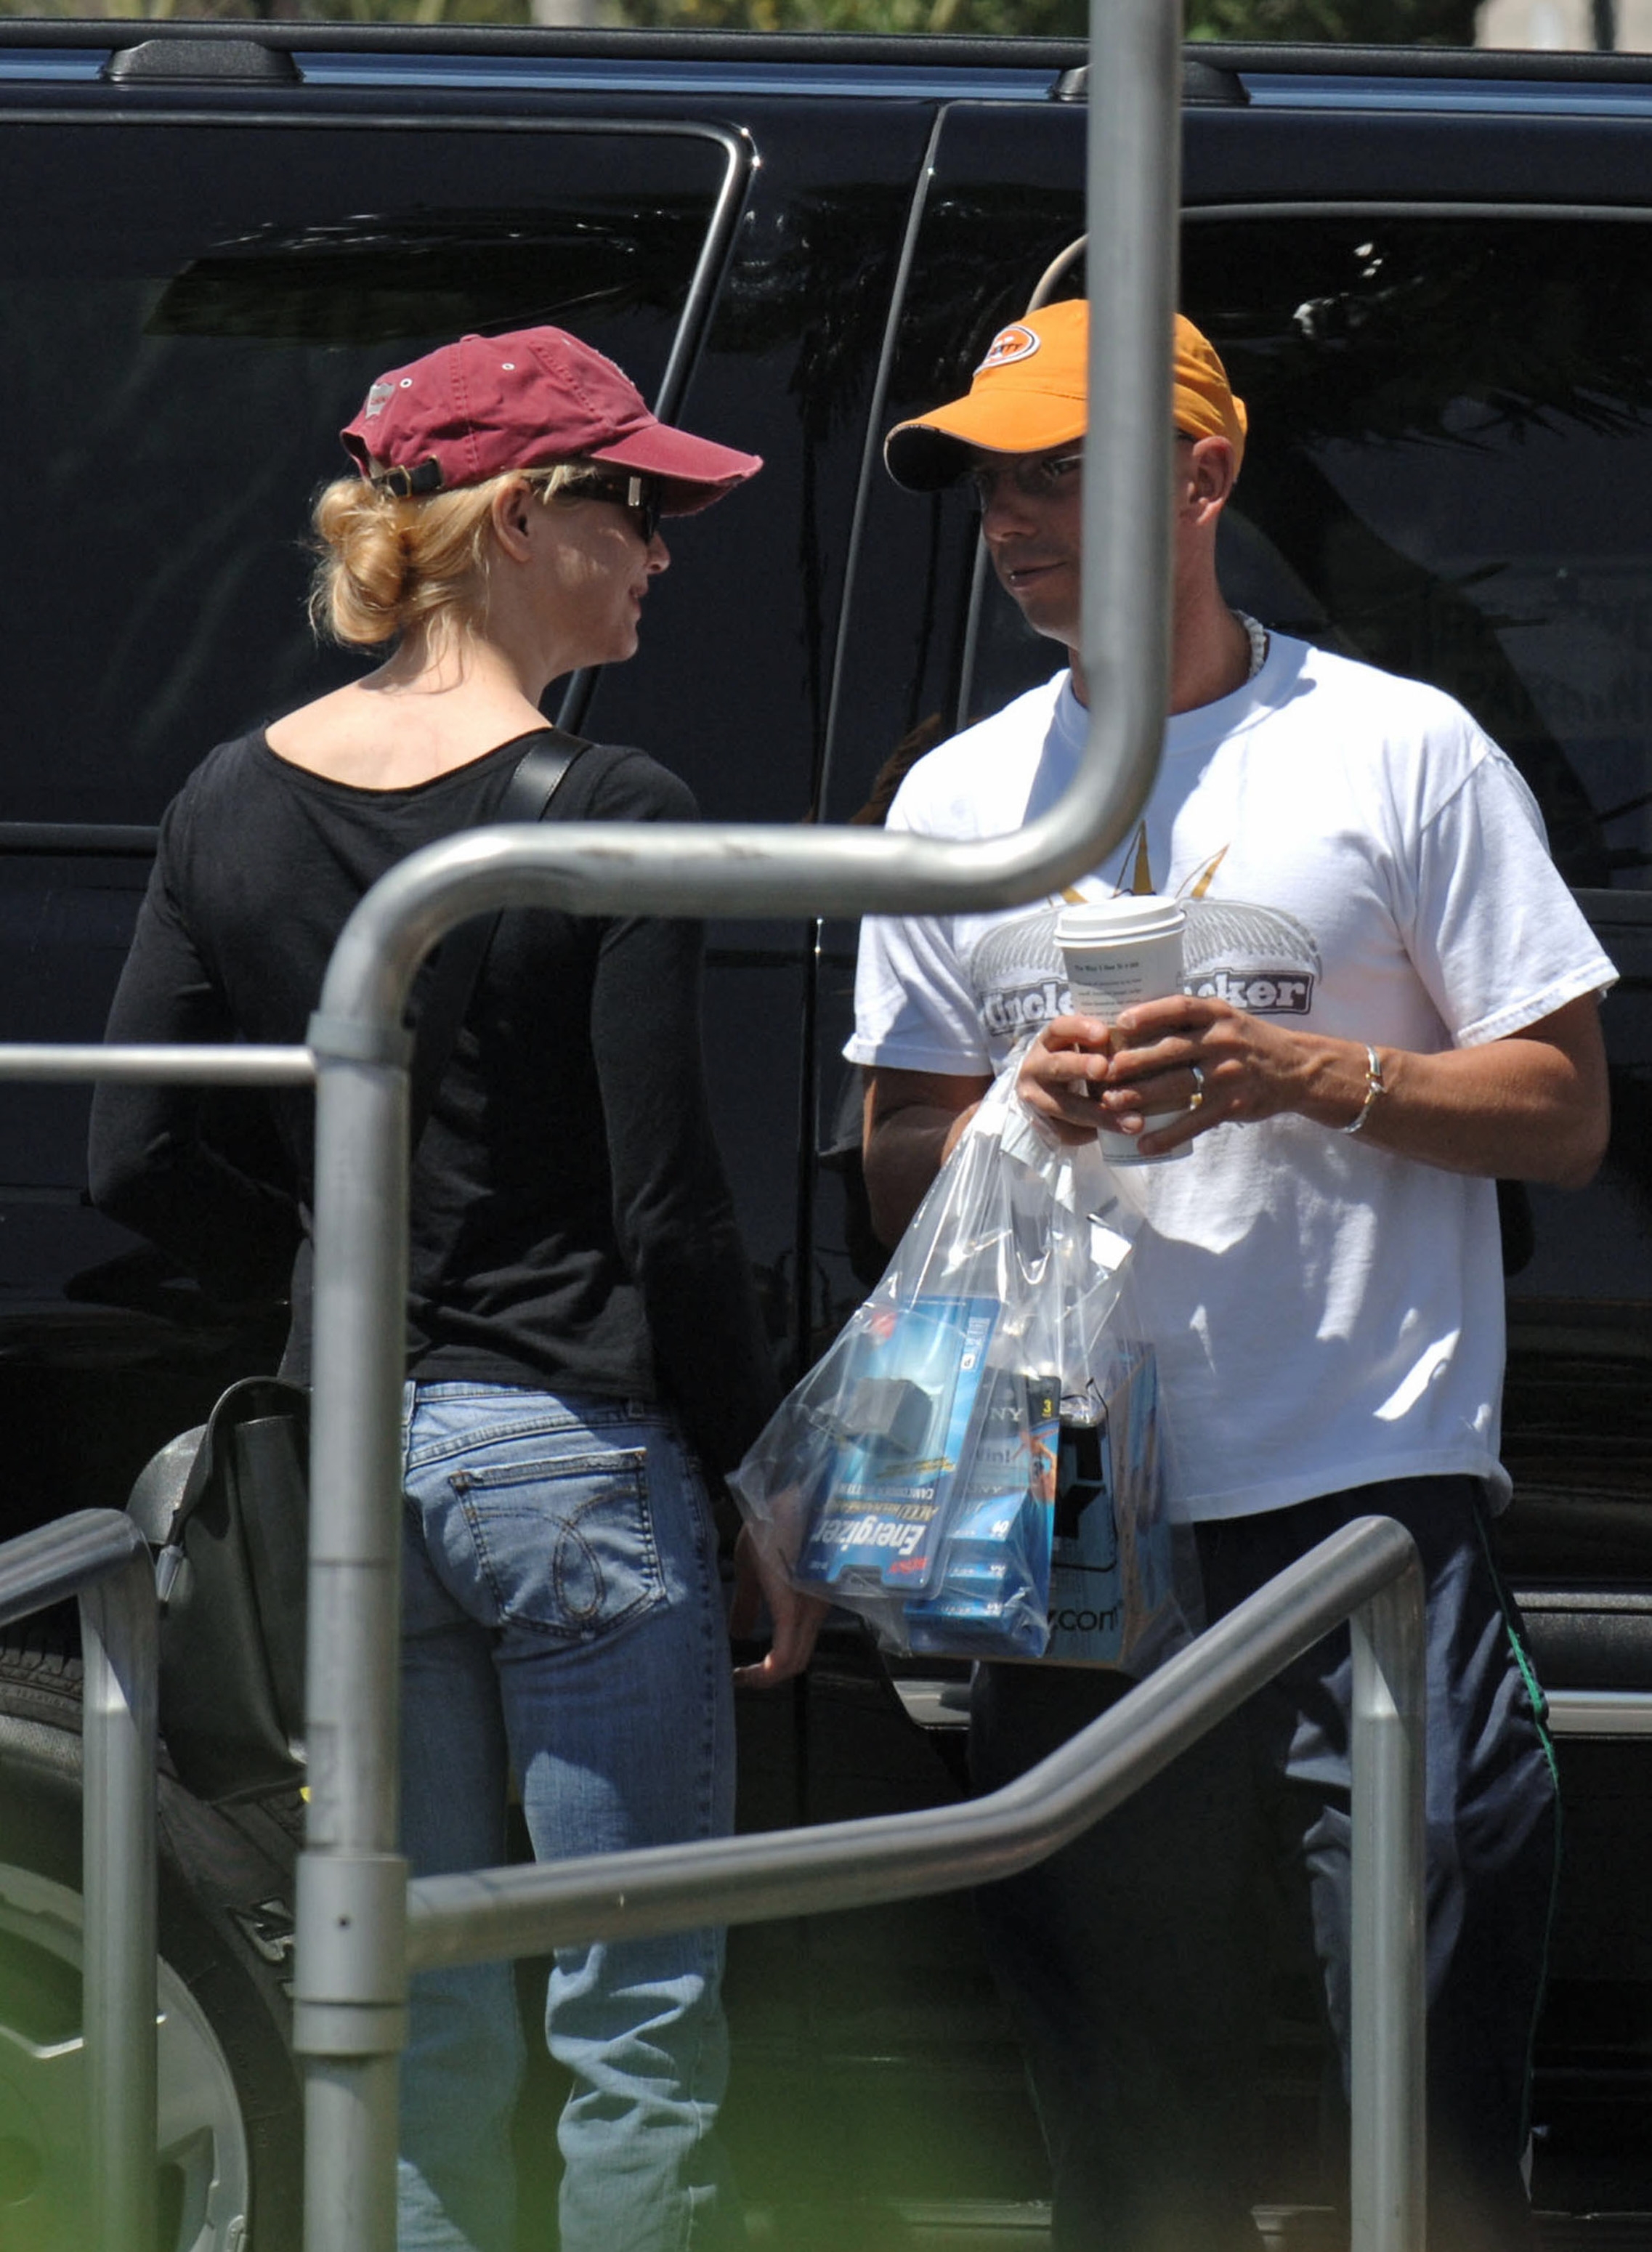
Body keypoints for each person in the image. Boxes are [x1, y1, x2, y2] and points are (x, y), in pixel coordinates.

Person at [846, 298, 1616, 2251]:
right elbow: (892, 1161)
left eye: (1054, 475)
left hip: (1365, 1480)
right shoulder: (955, 799)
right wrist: (1018, 1108)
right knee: (1129, 2106)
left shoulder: (1394, 746)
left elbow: (1561, 1109)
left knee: (1428, 2082)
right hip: (1066, 1480)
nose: (1008, 521)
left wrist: (1302, 1070)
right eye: (984, 485)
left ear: (1203, 475)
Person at [88, 324, 815, 2252]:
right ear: (516, 521)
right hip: (570, 1457)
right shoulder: (617, 802)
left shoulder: (227, 796)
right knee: (636, 2023)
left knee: (414, 2022)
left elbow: (132, 1158)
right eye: (634, 508)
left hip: (348, 1470)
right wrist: (767, 1481)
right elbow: (668, 1205)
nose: (661, 551)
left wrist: (343, 1263)